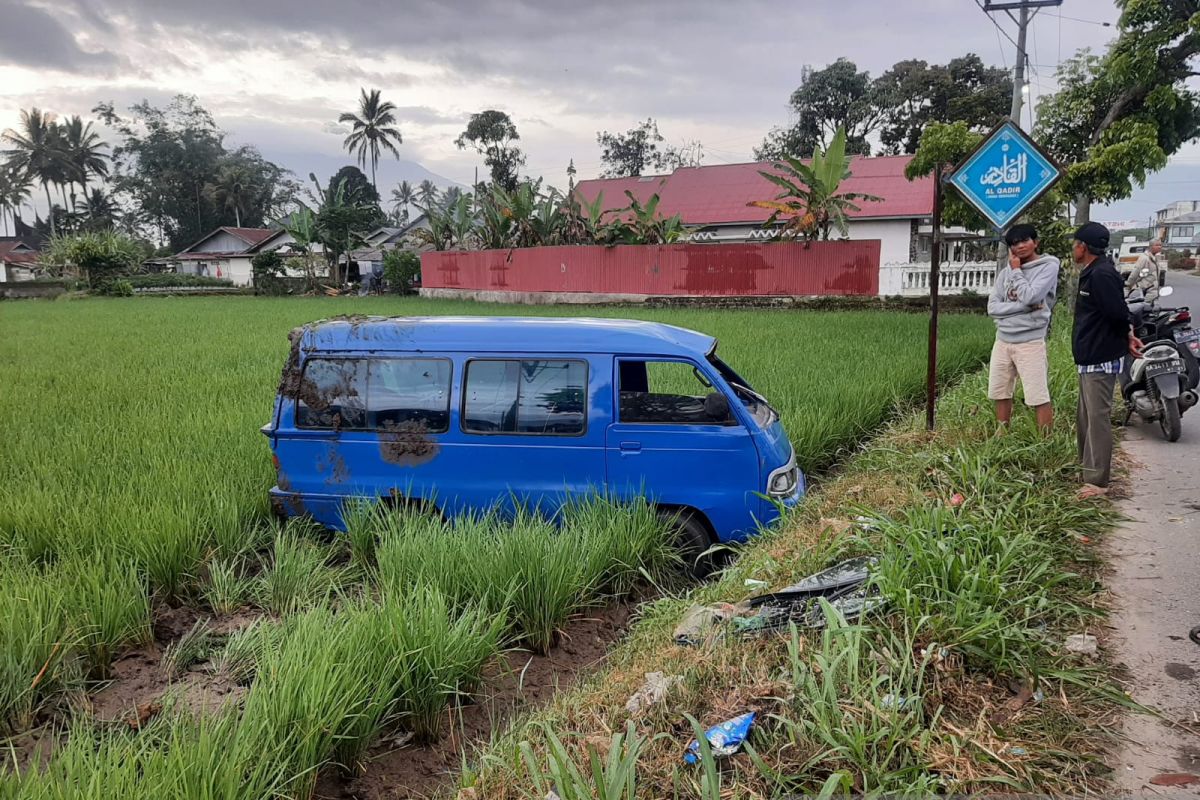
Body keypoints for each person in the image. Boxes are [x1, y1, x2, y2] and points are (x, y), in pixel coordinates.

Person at [1072, 222, 1143, 499]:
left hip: (1100, 359)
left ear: (1083, 247)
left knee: (1097, 419)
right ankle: (1086, 470)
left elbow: (1118, 312)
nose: (1074, 248)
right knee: (1085, 418)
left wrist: (1128, 334)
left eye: (1076, 244)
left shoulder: (1101, 275)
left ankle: (1097, 482)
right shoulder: (1091, 273)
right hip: (1088, 358)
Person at [986, 223, 1060, 432]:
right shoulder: (1005, 273)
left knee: (1037, 395)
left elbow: (1032, 296)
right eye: (1015, 243)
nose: (1020, 246)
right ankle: (1001, 436)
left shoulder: (1048, 266)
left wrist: (1017, 271)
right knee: (1000, 391)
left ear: (1035, 242)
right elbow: (992, 307)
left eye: (1025, 240)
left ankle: (1045, 444)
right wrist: (1025, 308)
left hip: (1030, 340)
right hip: (1003, 339)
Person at [1125, 239, 1163, 303]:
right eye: (1157, 245)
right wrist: (1128, 285)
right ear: (1151, 246)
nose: (1159, 247)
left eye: (1160, 245)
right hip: (1146, 293)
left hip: (1153, 293)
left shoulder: (1154, 258)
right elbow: (1136, 273)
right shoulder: (1145, 258)